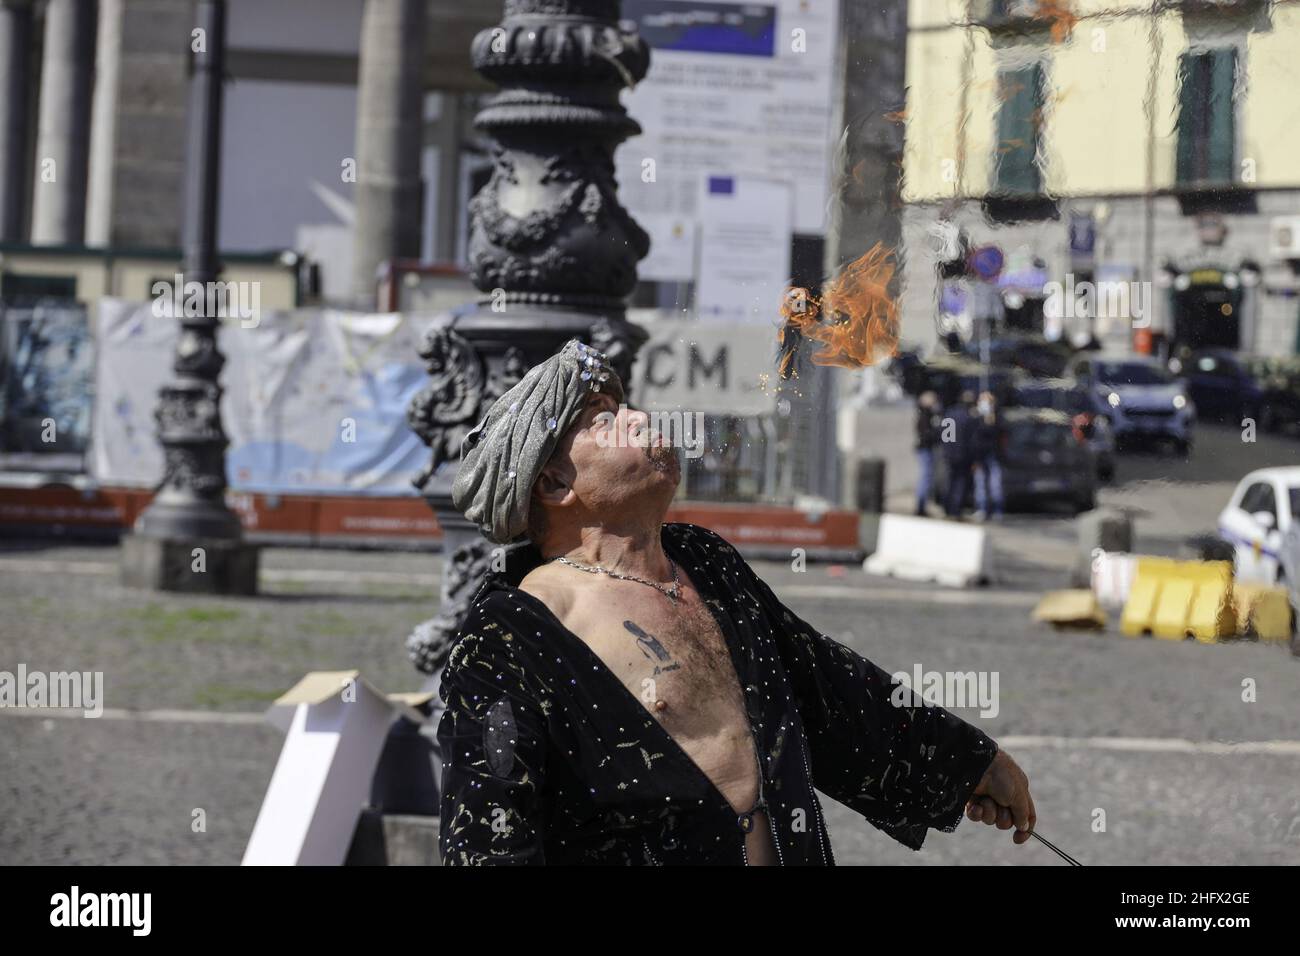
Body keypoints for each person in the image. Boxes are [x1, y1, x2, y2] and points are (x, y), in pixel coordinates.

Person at [437, 339, 1036, 865]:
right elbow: (490, 841)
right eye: (600, 420)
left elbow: (825, 684)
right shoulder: (512, 639)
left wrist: (967, 765)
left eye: (624, 408)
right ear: (553, 484)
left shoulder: (705, 563)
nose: (638, 420)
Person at [942, 391, 978, 519]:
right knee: (960, 482)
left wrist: (947, 451)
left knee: (950, 481)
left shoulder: (950, 414)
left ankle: (947, 507)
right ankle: (956, 510)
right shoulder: (968, 418)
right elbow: (972, 440)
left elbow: (946, 437)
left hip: (950, 453)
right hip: (963, 455)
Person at [971, 390, 1005, 522]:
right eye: (982, 400)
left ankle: (997, 510)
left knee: (995, 484)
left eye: (987, 401)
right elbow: (974, 435)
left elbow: (999, 433)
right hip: (979, 455)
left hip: (993, 454)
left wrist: (991, 419)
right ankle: (981, 508)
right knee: (980, 483)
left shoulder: (997, 417)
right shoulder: (975, 417)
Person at [914, 391, 941, 516]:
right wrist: (937, 432)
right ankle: (920, 506)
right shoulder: (925, 415)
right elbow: (927, 435)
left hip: (926, 449)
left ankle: (922, 505)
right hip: (925, 449)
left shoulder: (927, 415)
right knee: (925, 478)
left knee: (927, 478)